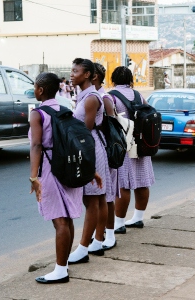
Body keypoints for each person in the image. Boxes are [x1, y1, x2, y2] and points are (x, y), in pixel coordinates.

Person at [29, 72, 95, 284]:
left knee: (59, 221)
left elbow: (36, 145)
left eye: (35, 87)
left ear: (40, 89)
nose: (34, 90)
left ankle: (60, 271)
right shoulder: (65, 110)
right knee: (67, 219)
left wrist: (33, 176)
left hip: (50, 167)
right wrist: (90, 169)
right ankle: (63, 265)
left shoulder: (37, 114)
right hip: (69, 165)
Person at [68, 58, 112, 264]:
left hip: (91, 149)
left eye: (76, 71)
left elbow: (85, 129)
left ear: (87, 75)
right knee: (99, 198)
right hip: (91, 147)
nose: (71, 74)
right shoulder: (84, 95)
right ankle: (98, 240)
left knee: (92, 200)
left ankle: (84, 247)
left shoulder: (91, 98)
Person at [109, 66, 155, 234]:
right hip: (142, 144)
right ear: (130, 80)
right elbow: (149, 112)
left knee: (123, 185)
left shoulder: (111, 96)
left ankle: (119, 223)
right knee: (142, 181)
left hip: (124, 146)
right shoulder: (138, 95)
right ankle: (138, 218)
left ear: (113, 79)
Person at [92, 62, 117, 250]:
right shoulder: (89, 95)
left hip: (106, 149)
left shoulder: (104, 97)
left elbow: (113, 125)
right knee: (99, 195)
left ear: (93, 76)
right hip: (97, 147)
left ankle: (110, 234)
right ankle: (98, 233)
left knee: (107, 195)